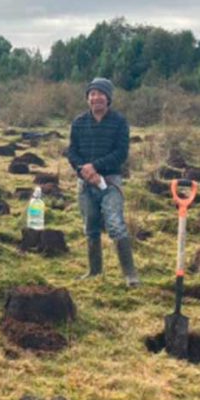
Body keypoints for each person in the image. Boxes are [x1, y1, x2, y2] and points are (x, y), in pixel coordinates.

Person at [67, 77, 139, 287]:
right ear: (88, 98)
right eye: (92, 94)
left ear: (108, 98)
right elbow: (72, 152)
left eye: (101, 94)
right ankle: (95, 271)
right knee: (90, 226)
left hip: (111, 183)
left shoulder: (119, 122)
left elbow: (121, 153)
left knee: (115, 224)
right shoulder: (79, 123)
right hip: (85, 183)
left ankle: (130, 274)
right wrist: (84, 171)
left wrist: (95, 167)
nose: (96, 98)